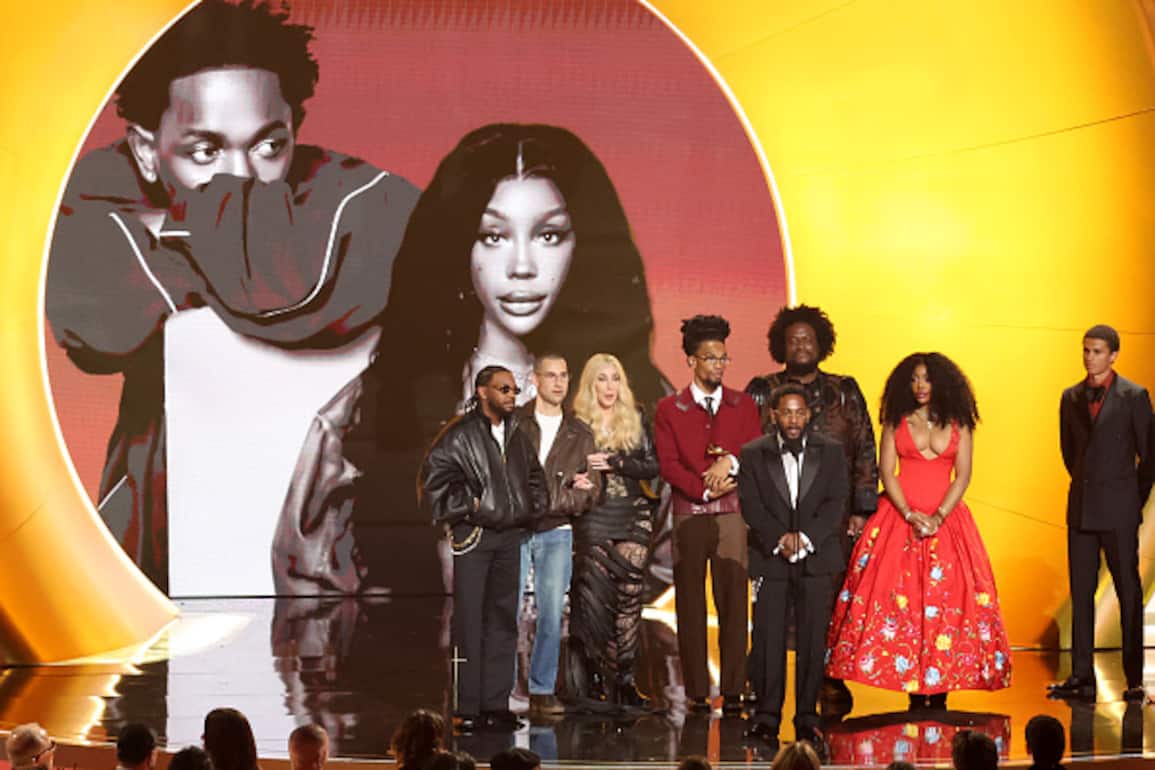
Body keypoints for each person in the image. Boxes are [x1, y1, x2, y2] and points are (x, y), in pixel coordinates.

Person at [45, 0, 419, 594]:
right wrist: (259, 243)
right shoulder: (91, 198)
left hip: (315, 518)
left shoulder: (353, 192)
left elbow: (403, 240)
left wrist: (169, 233)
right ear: (145, 150)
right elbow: (99, 325)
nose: (242, 178)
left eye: (269, 146)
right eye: (205, 151)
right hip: (160, 518)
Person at [300, 122, 668, 595]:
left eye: (549, 235)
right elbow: (313, 592)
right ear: (458, 243)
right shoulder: (364, 410)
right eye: (493, 236)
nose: (522, 266)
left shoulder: (639, 401)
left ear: (584, 245)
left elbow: (667, 574)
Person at [825, 353, 1012, 709]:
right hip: (898, 519)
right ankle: (910, 683)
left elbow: (963, 476)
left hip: (947, 522)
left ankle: (939, 685)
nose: (920, 386)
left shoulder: (960, 423)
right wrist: (910, 514)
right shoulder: (896, 421)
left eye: (926, 378)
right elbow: (887, 472)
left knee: (946, 602)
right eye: (914, 379)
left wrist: (939, 517)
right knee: (899, 601)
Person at [745, 304, 878, 710]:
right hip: (775, 516)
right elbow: (746, 449)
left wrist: (861, 509)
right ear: (780, 345)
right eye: (793, 340)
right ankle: (760, 681)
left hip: (830, 520)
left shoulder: (844, 390)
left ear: (822, 343)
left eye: (808, 339)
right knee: (770, 606)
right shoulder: (762, 390)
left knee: (827, 602)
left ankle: (827, 677)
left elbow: (865, 447)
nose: (801, 345)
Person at [421, 366, 548, 731]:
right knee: (469, 622)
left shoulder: (517, 434)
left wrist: (530, 510)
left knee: (503, 620)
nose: (512, 395)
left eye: (514, 390)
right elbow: (432, 484)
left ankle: (496, 703)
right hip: (475, 537)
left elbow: (535, 478)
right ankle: (466, 707)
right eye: (503, 389)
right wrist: (471, 506)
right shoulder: (460, 435)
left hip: (510, 537)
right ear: (482, 392)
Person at [654, 315, 761, 714]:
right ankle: (697, 690)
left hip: (731, 512)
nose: (719, 365)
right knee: (690, 602)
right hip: (689, 513)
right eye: (711, 358)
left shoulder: (743, 404)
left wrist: (730, 465)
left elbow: (755, 449)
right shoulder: (670, 408)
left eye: (723, 358)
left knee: (733, 600)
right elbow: (668, 463)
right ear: (692, 361)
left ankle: (733, 688)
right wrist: (702, 488)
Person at [740, 384, 850, 750]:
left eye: (799, 412)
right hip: (770, 558)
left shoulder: (831, 451)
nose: (793, 419)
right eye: (786, 412)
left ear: (809, 414)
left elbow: (836, 502)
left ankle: (807, 719)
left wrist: (805, 538)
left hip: (816, 558)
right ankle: (766, 717)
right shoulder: (753, 453)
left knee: (812, 640)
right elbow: (751, 505)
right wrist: (780, 539)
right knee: (768, 639)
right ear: (774, 414)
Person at [1049, 325, 1152, 702]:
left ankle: (1134, 679)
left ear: (1113, 355)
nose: (1089, 357)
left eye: (1096, 351)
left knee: (1128, 591)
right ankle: (1082, 676)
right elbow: (1069, 452)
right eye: (1086, 350)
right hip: (1082, 509)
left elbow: (1149, 457)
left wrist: (1131, 501)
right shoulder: (1070, 396)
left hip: (1119, 510)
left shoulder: (1134, 396)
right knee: (1081, 592)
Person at [567, 353, 661, 711]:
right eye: (602, 379)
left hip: (633, 512)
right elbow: (558, 467)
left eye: (615, 378)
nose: (610, 386)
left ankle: (625, 680)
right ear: (590, 384)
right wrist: (576, 475)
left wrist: (617, 462)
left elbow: (653, 466)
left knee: (630, 596)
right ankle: (594, 677)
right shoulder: (576, 423)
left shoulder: (635, 417)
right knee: (595, 598)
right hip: (595, 514)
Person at [516, 354, 600, 717]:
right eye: (551, 375)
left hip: (557, 532)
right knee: (507, 611)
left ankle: (542, 689)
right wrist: (562, 492)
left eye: (564, 375)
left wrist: (553, 502)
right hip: (516, 529)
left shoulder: (580, 433)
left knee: (551, 614)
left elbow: (592, 489)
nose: (559, 382)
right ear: (535, 380)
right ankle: (501, 689)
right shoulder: (515, 424)